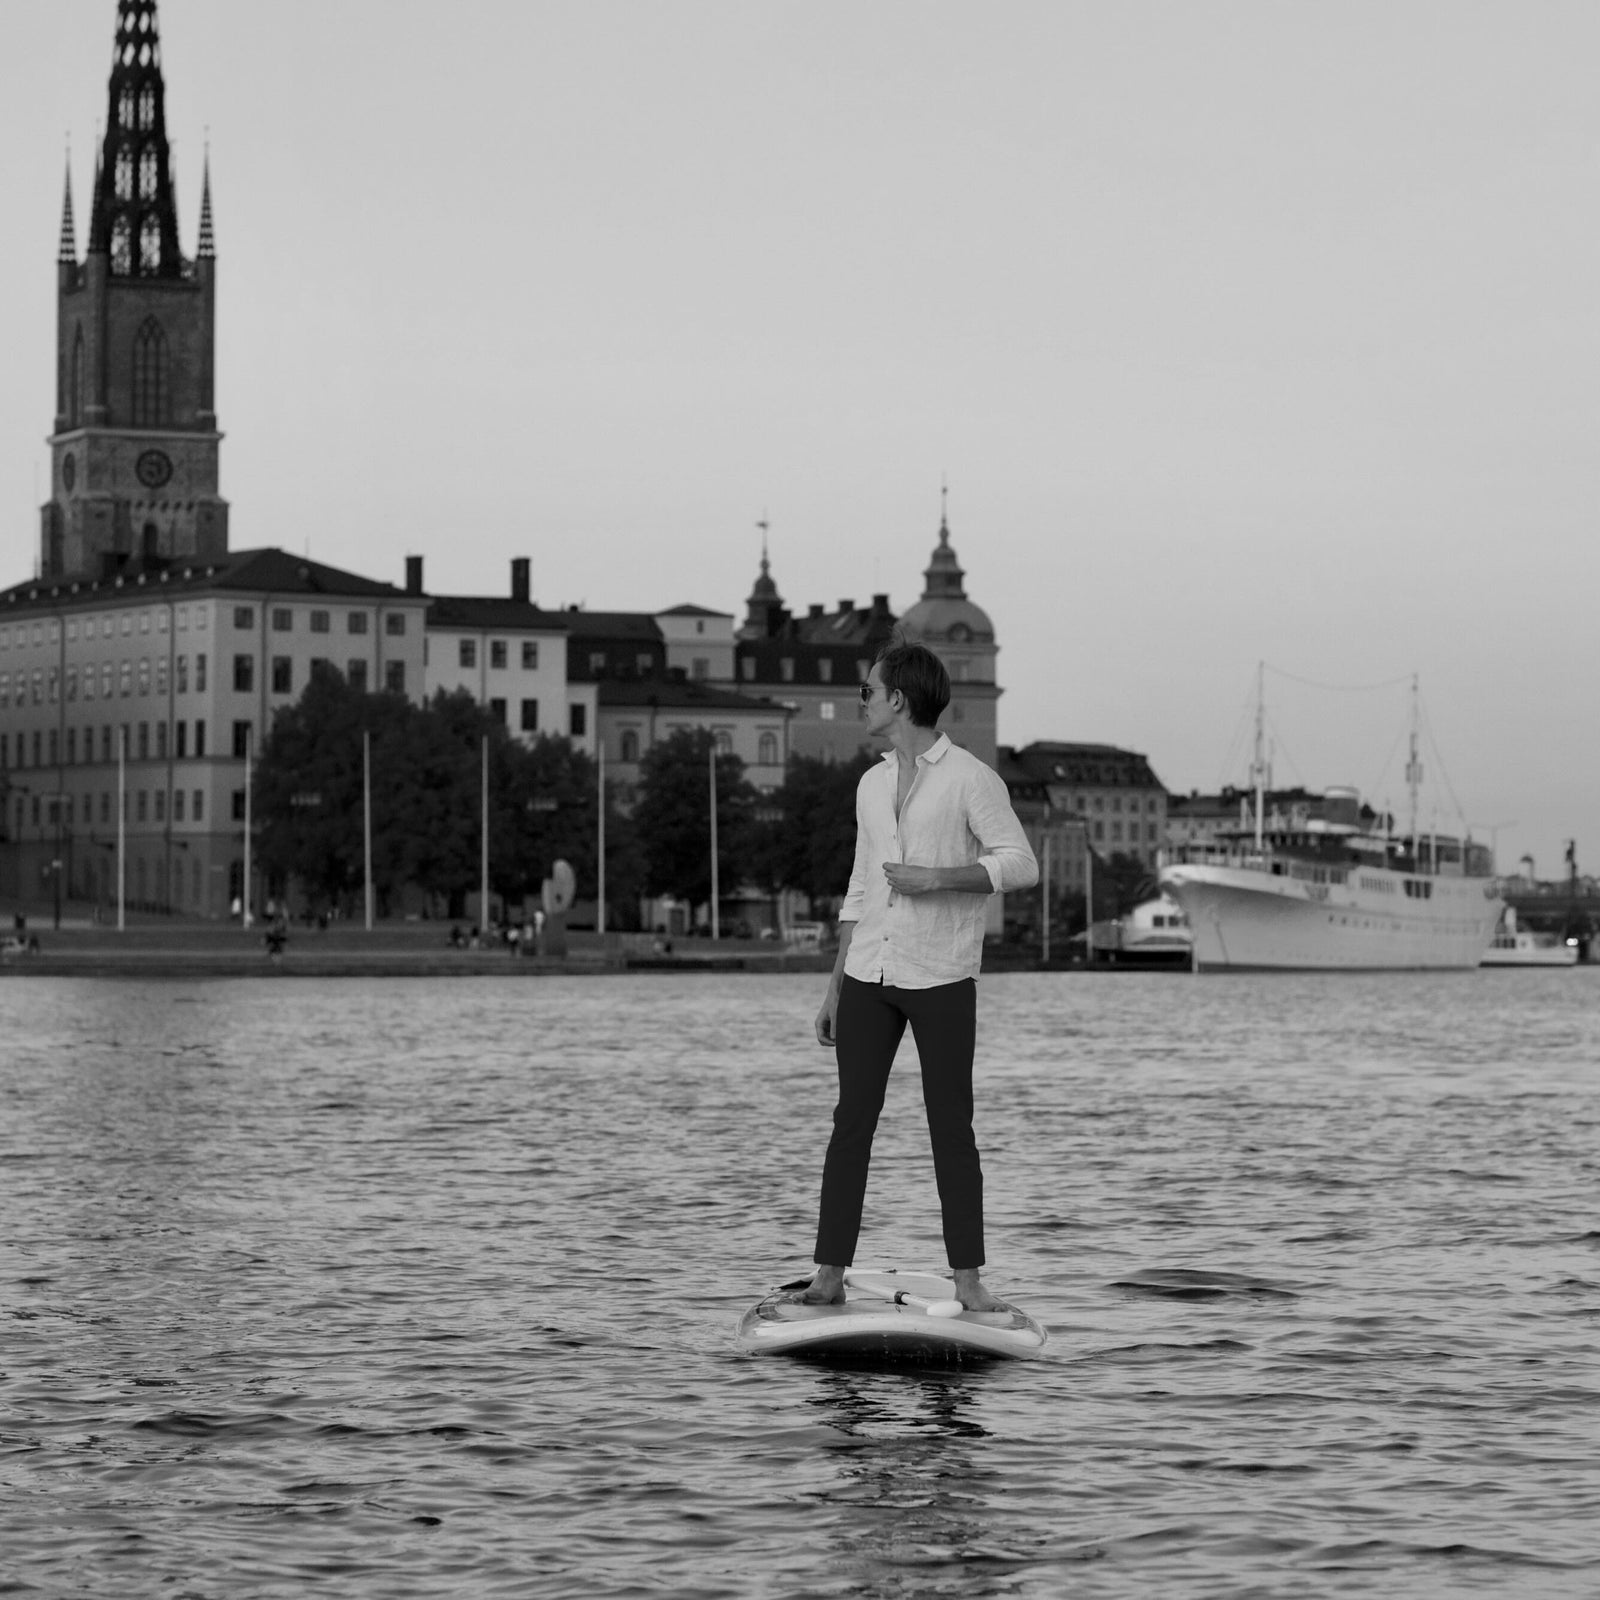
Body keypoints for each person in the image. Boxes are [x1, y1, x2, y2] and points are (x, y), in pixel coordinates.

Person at [792, 640, 1038, 1313]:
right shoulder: (870, 784)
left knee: (950, 1128)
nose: (861, 700)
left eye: (869, 690)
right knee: (851, 1124)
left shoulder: (971, 778)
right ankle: (828, 1275)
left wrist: (939, 878)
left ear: (899, 699)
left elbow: (1021, 864)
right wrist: (835, 984)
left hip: (942, 977)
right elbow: (859, 887)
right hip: (870, 972)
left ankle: (969, 1283)